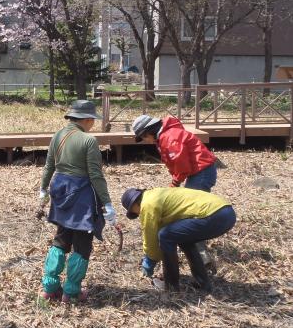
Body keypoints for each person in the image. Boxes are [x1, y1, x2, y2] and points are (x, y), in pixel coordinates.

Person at [37, 100, 117, 303]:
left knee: (61, 238)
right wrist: (107, 203)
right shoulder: (88, 141)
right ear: (88, 119)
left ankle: (49, 288)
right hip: (82, 197)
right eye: (93, 120)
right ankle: (71, 292)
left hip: (60, 192)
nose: (93, 124)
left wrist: (43, 190)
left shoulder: (57, 136)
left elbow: (49, 166)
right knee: (82, 244)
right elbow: (96, 175)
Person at [132, 114, 218, 270]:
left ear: (148, 132)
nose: (146, 141)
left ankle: (202, 258)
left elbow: (182, 166)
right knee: (189, 213)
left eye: (144, 138)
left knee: (191, 214)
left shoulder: (169, 137)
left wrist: (174, 184)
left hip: (201, 172)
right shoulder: (165, 135)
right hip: (198, 171)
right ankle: (196, 252)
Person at [121, 186, 236, 292]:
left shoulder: (147, 205)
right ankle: (202, 283)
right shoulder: (156, 194)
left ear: (134, 206)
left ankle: (171, 286)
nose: (138, 214)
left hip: (214, 215)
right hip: (226, 212)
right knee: (182, 238)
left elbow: (150, 236)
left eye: (134, 212)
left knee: (165, 236)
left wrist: (150, 259)